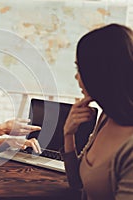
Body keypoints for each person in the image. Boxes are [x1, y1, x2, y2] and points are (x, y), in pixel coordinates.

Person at [62, 23, 133, 200]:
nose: (76, 77)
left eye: (80, 69)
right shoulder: (106, 117)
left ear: (101, 73)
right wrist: (68, 134)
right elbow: (78, 183)